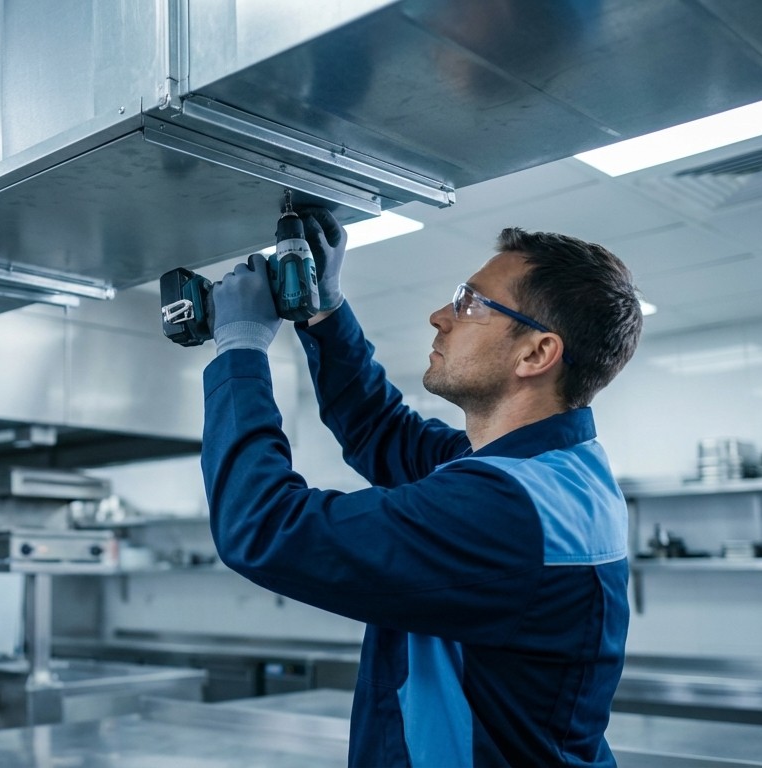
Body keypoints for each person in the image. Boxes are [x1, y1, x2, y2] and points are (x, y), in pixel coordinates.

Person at [201, 208, 643, 767]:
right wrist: (324, 309)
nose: (440, 316)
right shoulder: (542, 473)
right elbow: (384, 434)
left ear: (536, 354)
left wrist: (240, 348)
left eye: (468, 303)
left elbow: (263, 527)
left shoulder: (506, 508)